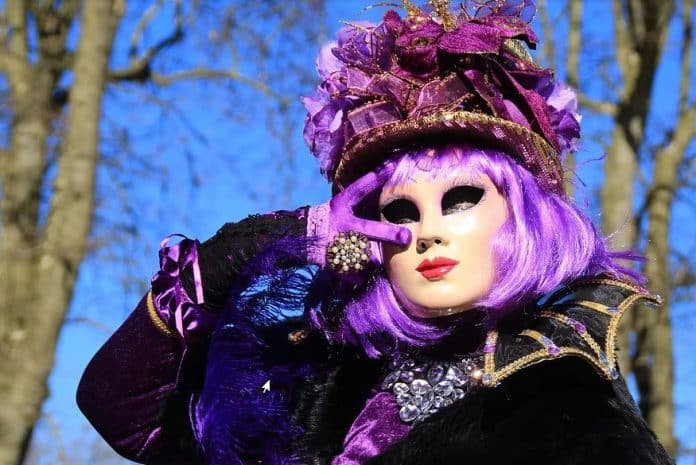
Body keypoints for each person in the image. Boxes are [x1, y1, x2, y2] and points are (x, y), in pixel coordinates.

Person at [77, 1, 674, 464]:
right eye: (401, 213)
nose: (428, 233)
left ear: (525, 217)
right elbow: (123, 411)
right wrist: (261, 243)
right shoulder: (322, 379)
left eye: (460, 199)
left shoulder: (568, 408)